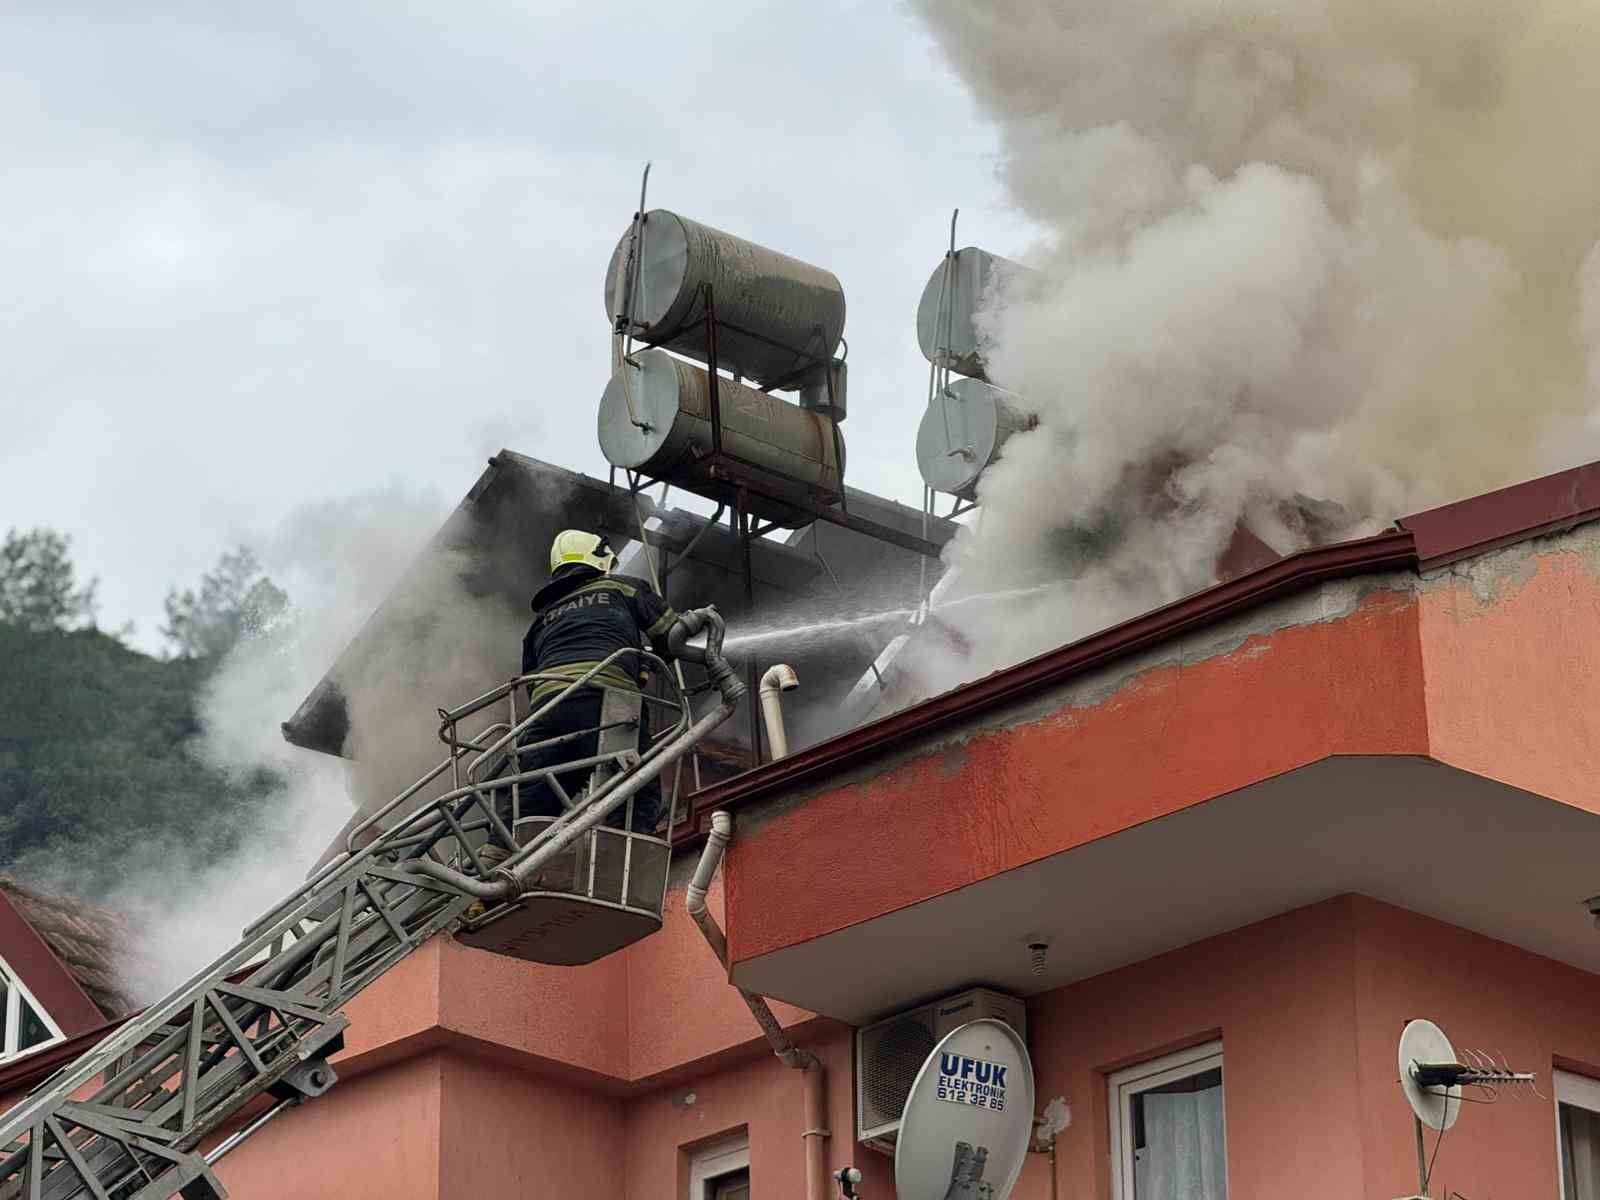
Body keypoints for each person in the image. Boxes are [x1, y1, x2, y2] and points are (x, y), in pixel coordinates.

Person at [504, 528, 679, 838]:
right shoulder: (622, 589)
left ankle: (496, 852)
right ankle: (625, 848)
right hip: (607, 702)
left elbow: (531, 679)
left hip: (548, 710)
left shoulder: (540, 620)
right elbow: (671, 634)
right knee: (634, 786)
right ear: (599, 559)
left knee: (534, 796)